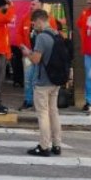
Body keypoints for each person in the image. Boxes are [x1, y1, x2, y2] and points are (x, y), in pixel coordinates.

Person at [21, 9, 63, 156]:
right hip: (55, 80)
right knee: (54, 112)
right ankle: (57, 145)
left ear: (39, 20)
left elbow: (36, 59)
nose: (33, 26)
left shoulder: (42, 38)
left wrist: (27, 52)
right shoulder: (57, 34)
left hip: (43, 82)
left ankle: (44, 146)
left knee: (43, 114)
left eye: (34, 23)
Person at [16, 0, 60, 111]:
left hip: (44, 56)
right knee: (28, 79)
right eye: (31, 4)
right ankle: (28, 101)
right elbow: (19, 34)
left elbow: (54, 36)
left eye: (34, 4)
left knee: (39, 80)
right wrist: (22, 47)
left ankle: (39, 103)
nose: (31, 6)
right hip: (28, 54)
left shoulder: (49, 19)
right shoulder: (25, 18)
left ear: (41, 5)